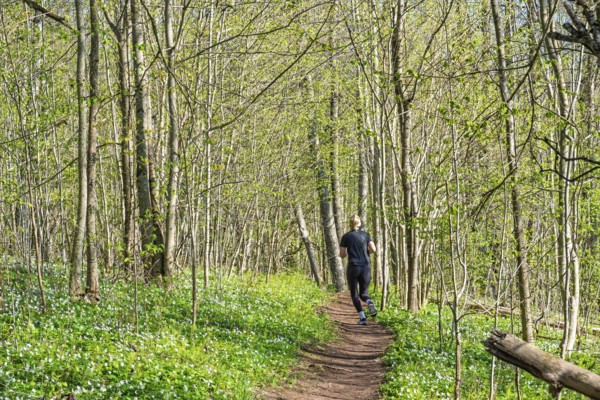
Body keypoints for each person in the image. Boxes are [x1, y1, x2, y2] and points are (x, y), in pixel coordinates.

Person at [339, 215, 377, 325]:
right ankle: (369, 301)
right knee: (363, 293)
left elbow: (342, 254)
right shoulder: (366, 235)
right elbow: (373, 249)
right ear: (359, 223)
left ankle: (363, 318)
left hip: (353, 267)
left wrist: (348, 252)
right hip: (366, 266)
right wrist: (365, 251)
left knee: (354, 294)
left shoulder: (346, 236)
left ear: (350, 224)